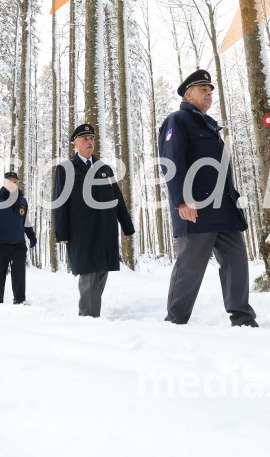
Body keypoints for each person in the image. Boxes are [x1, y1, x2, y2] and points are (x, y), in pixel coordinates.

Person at [157, 69, 258, 327]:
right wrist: (182, 200)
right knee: (190, 267)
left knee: (237, 262)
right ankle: (175, 320)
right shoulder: (177, 120)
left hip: (224, 210)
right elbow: (171, 162)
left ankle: (243, 319)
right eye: (203, 89)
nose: (209, 93)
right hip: (197, 209)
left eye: (211, 90)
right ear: (188, 95)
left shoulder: (210, 125)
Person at [53, 123, 135, 317]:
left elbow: (117, 197)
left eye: (91, 139)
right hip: (81, 231)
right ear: (75, 143)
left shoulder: (104, 169)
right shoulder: (66, 169)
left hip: (105, 228)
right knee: (89, 272)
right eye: (85, 139)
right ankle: (88, 319)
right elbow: (60, 202)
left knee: (102, 270)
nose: (89, 142)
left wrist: (126, 225)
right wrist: (62, 232)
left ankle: (90, 315)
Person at [0, 171, 37, 305]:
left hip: (18, 244)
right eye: (10, 181)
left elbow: (25, 220)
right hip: (0, 244)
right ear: (5, 182)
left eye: (15, 181)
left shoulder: (22, 200)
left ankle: (19, 300)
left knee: (19, 274)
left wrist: (31, 234)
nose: (13, 183)